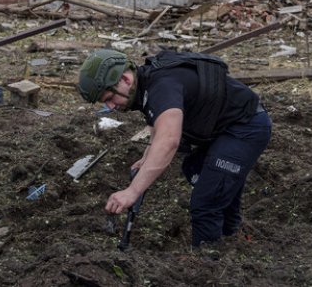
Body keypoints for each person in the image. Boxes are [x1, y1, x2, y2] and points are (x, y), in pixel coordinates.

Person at [77, 49, 272, 247]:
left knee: (205, 203)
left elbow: (169, 141)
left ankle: (210, 258)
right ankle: (231, 234)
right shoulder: (146, 83)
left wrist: (132, 191)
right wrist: (147, 157)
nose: (110, 107)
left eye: (110, 98)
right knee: (197, 171)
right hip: (222, 128)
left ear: (126, 79)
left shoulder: (162, 86)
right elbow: (158, 120)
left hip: (245, 127)